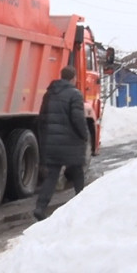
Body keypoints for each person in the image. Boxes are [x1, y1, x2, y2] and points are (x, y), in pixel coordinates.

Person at [33, 65, 88, 221]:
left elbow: (42, 118)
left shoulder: (49, 93)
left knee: (52, 176)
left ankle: (40, 207)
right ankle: (83, 206)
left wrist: (45, 139)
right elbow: (78, 119)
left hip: (52, 143)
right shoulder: (75, 94)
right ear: (73, 78)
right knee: (77, 174)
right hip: (70, 143)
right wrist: (84, 135)